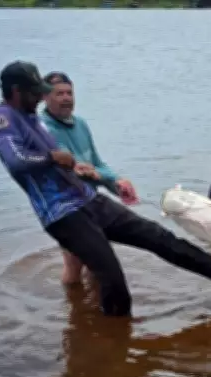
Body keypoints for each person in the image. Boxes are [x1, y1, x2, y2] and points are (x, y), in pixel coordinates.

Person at [0, 60, 211, 317]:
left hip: (88, 199)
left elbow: (63, 163)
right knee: (111, 275)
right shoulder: (4, 118)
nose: (40, 97)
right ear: (16, 91)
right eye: (36, 92)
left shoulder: (32, 117)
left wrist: (83, 171)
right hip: (63, 214)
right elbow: (15, 159)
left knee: (156, 236)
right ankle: (116, 345)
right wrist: (52, 158)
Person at [39, 71, 137, 285]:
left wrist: (117, 182)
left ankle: (89, 312)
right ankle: (74, 311)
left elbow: (96, 163)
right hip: (66, 209)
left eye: (69, 93)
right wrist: (95, 173)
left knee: (99, 262)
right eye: (59, 94)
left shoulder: (80, 124)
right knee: (74, 264)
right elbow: (74, 169)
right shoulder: (42, 129)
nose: (66, 98)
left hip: (91, 202)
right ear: (44, 97)